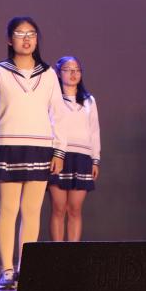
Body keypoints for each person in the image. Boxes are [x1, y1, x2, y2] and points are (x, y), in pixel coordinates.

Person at [0, 16, 66, 290]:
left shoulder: (48, 74)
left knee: (32, 211)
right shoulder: (1, 71)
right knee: (9, 208)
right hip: (9, 145)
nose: (26, 39)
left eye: (32, 34)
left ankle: (27, 267)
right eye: (20, 33)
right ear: (9, 39)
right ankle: (6, 269)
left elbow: (58, 114)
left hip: (40, 146)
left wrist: (59, 151)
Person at [48, 55, 100, 242]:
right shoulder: (53, 99)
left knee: (75, 209)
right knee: (58, 208)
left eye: (77, 70)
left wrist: (95, 159)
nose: (73, 74)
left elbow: (94, 131)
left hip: (82, 158)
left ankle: (72, 253)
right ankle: (57, 253)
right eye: (68, 70)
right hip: (59, 157)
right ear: (58, 73)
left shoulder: (88, 100)